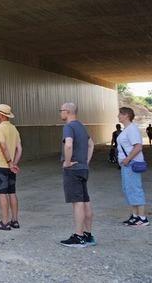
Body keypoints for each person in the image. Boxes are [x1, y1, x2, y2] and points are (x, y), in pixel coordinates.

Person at [59, 103, 96, 248]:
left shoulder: (68, 127)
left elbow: (68, 145)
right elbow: (91, 144)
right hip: (83, 169)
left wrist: (67, 162)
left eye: (61, 111)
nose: (60, 113)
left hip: (73, 170)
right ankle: (88, 235)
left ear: (67, 112)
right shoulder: (81, 126)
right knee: (85, 200)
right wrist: (86, 161)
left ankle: (79, 236)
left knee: (77, 203)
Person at [0, 104, 23, 231]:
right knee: (12, 192)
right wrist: (14, 163)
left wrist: (9, 162)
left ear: (2, 115)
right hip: (11, 167)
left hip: (1, 165)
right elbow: (19, 148)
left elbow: (2, 145)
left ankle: (4, 222)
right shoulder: (14, 129)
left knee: (2, 194)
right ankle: (15, 220)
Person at [117, 107, 149, 226]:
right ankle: (135, 216)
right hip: (128, 164)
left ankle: (142, 218)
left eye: (120, 114)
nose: (118, 116)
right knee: (129, 189)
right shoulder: (127, 129)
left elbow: (138, 147)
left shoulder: (132, 129)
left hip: (132, 163)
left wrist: (127, 159)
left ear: (126, 115)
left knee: (135, 188)